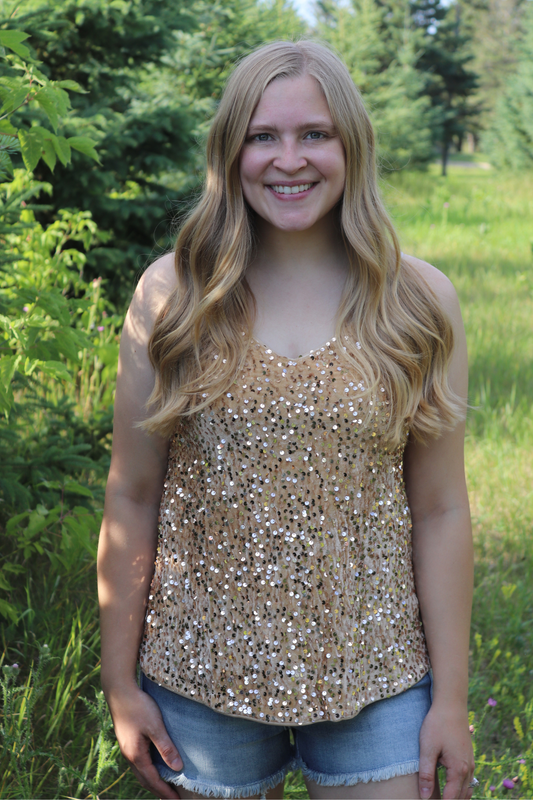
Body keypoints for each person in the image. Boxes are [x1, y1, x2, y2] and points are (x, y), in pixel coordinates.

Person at [97, 40, 475, 800]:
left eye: (314, 135)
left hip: (377, 668)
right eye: (262, 136)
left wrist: (451, 701)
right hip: (201, 677)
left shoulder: (416, 302)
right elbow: (131, 497)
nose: (287, 159)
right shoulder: (174, 296)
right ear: (229, 150)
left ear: (351, 147)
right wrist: (121, 685)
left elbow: (439, 510)